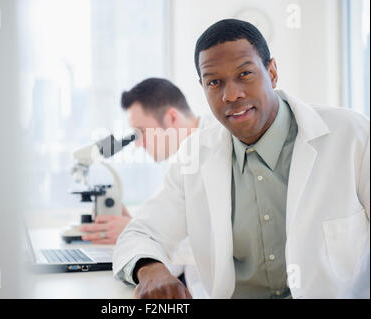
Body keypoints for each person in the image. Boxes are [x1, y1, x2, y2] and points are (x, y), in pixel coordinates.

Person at [113, 19, 370, 299]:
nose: (231, 94)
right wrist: (151, 269)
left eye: (245, 74)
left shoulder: (353, 136)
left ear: (272, 72)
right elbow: (140, 233)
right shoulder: (194, 157)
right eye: (214, 82)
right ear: (202, 86)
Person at [79, 78, 216, 297]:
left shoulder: (215, 147)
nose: (138, 144)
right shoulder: (184, 161)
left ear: (171, 117)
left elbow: (214, 243)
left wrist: (133, 230)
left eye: (141, 132)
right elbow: (177, 226)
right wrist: (136, 227)